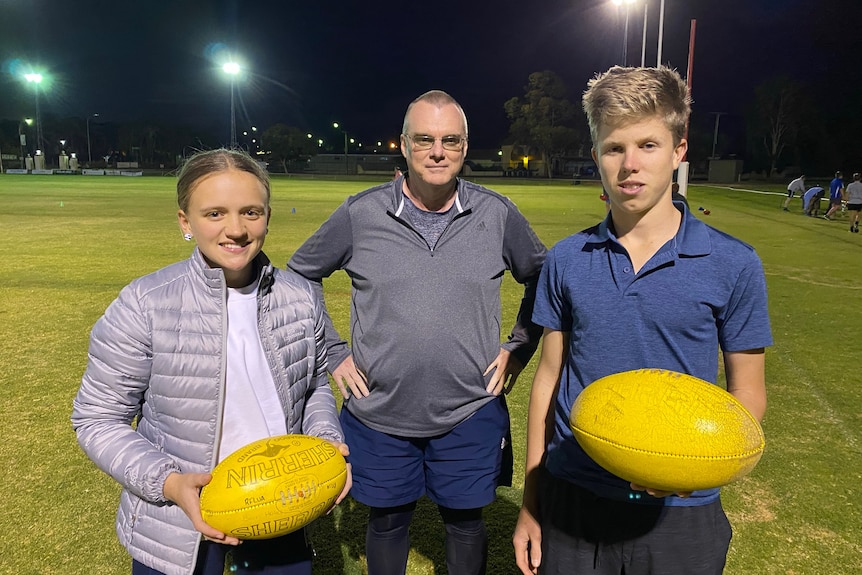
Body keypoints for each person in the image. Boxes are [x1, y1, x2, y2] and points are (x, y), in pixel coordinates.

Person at [513, 66, 773, 575]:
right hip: (573, 493)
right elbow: (548, 380)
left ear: (679, 150)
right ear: (596, 157)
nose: (629, 165)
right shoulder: (567, 258)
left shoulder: (734, 263)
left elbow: (749, 394)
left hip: (679, 511)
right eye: (614, 148)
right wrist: (531, 501)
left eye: (648, 145)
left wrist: (686, 463)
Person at [288, 90, 547, 575]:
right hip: (379, 409)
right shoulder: (360, 213)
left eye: (450, 140)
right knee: (386, 522)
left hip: (470, 407)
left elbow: (543, 276)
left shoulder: (496, 213)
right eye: (424, 139)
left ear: (465, 147)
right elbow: (301, 273)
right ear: (403, 145)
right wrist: (333, 349)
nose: (437, 151)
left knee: (467, 524)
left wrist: (518, 345)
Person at [72, 148, 351, 575]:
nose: (235, 230)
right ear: (186, 221)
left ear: (268, 216)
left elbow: (313, 386)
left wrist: (326, 443)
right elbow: (96, 419)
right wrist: (169, 482)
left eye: (250, 212)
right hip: (177, 521)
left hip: (278, 503)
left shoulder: (300, 296)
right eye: (215, 213)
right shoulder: (145, 304)